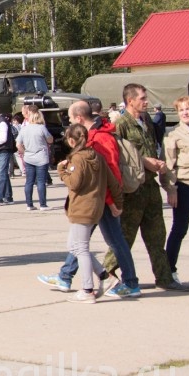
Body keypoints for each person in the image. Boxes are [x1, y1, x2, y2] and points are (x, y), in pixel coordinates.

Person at [37, 101, 141, 298]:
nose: (68, 122)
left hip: (99, 201)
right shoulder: (96, 136)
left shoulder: (101, 138)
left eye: (69, 118)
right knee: (81, 243)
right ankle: (67, 276)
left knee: (107, 242)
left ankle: (128, 282)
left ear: (79, 118)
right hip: (98, 200)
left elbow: (110, 173)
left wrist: (111, 202)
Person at [102, 83, 189, 292]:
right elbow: (119, 155)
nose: (146, 101)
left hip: (150, 188)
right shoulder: (121, 124)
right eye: (142, 98)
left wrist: (165, 179)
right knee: (125, 237)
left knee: (156, 235)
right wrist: (144, 161)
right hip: (132, 189)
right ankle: (107, 274)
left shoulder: (147, 120)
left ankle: (164, 277)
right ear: (130, 100)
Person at [58, 124, 122, 304]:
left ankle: (87, 289)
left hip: (81, 208)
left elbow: (75, 183)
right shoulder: (98, 157)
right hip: (95, 207)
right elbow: (113, 182)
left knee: (81, 248)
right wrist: (118, 203)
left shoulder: (77, 159)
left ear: (71, 141)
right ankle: (104, 275)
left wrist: (62, 171)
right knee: (74, 246)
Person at [164, 95, 189, 285]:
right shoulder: (173, 135)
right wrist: (171, 189)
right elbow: (168, 165)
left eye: (188, 109)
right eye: (181, 110)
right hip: (184, 186)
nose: (185, 113)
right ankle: (169, 270)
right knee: (179, 229)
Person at [17, 109, 53, 210]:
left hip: (28, 157)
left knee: (29, 182)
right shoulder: (42, 128)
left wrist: (25, 152)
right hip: (41, 157)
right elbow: (50, 139)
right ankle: (43, 204)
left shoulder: (24, 129)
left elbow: (18, 144)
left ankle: (29, 204)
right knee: (41, 182)